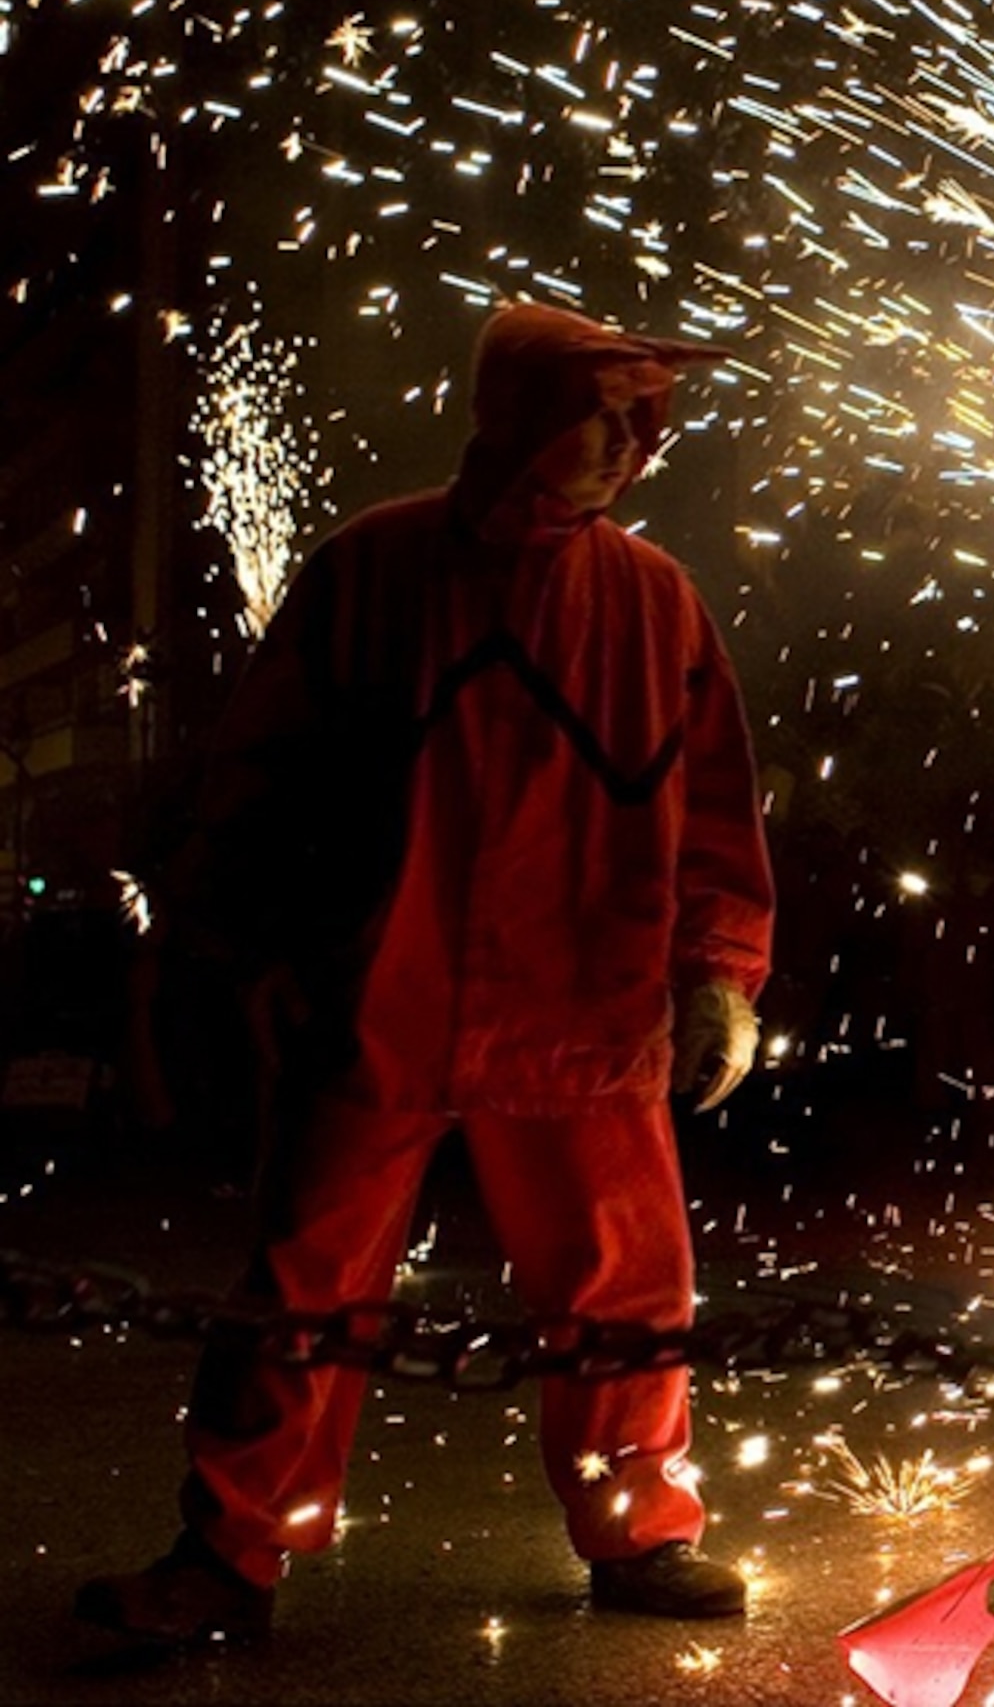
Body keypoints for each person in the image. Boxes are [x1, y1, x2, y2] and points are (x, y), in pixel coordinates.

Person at [76, 303, 776, 1646]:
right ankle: (229, 1559)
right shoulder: (373, 569)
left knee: (626, 1289)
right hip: (384, 994)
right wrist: (253, 955)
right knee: (305, 1287)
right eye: (604, 409)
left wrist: (719, 977)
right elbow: (257, 781)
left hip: (585, 1007)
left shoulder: (652, 598)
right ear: (514, 415)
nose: (634, 441)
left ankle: (639, 1533)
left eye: (648, 417)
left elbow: (719, 812)